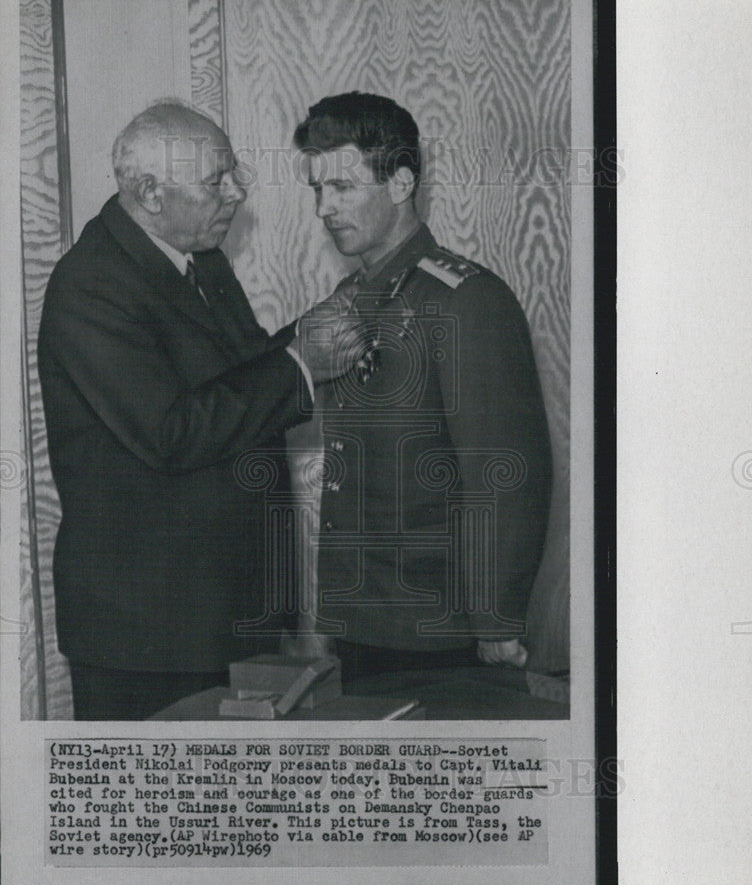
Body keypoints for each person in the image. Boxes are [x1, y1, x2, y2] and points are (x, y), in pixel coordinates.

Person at [38, 101, 364, 719]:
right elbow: (174, 431)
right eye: (216, 181)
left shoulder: (200, 260)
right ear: (150, 193)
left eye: (233, 172)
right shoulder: (89, 285)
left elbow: (237, 376)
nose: (238, 192)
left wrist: (310, 330)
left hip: (221, 615)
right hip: (148, 637)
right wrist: (301, 364)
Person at [292, 91, 553, 685]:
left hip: (440, 628)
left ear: (402, 182)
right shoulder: (351, 301)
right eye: (317, 190)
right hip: (361, 622)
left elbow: (504, 470)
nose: (324, 208)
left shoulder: (465, 300)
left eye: (343, 187)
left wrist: (496, 619)